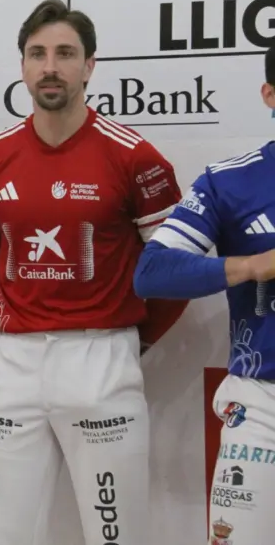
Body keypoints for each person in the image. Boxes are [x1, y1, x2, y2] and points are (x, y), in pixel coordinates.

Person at [0, 0, 189, 544]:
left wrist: (130, 341)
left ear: (89, 65)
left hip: (101, 362)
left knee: (117, 537)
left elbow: (176, 275)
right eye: (38, 54)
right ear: (23, 66)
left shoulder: (135, 157)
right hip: (12, 367)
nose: (50, 67)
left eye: (65, 54)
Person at [132, 45, 275, 545]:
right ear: (269, 95)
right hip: (262, 406)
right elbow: (152, 272)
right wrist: (252, 265)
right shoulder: (230, 180)